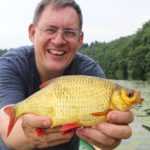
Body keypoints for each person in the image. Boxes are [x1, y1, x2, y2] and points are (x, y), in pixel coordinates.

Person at [0, 0, 133, 149]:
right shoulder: (10, 65)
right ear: (32, 33)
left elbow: (103, 124)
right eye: (50, 29)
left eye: (69, 32)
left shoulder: (90, 73)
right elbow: (8, 132)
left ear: (80, 39)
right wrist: (28, 132)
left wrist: (108, 135)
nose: (58, 41)